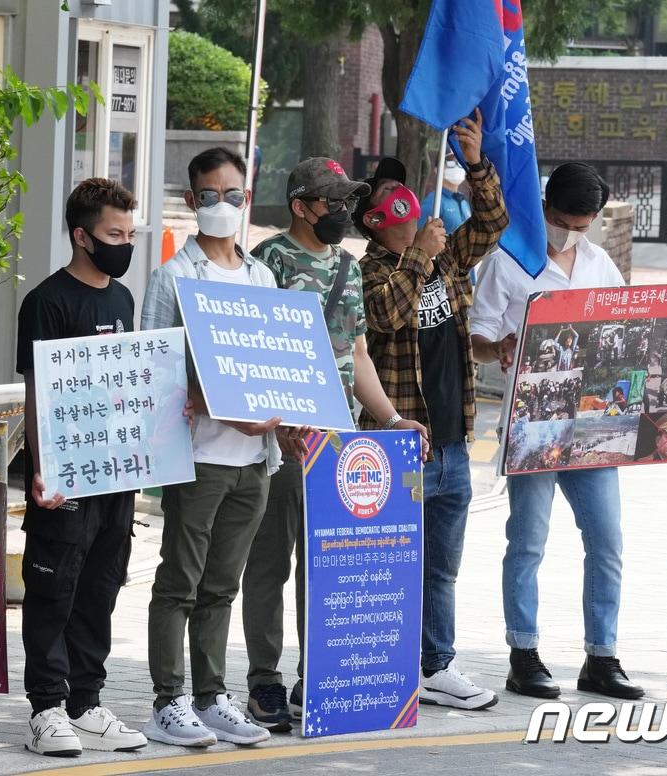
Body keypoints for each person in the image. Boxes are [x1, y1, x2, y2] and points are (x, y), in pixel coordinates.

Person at [239, 156, 427, 731]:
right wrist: (278, 420)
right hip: (283, 444)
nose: (344, 213)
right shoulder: (268, 261)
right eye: (333, 203)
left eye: (349, 202)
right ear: (300, 207)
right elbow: (251, 348)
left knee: (326, 569)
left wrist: (393, 419)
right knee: (270, 565)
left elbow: (358, 355)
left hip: (338, 446)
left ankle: (315, 679)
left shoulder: (346, 266)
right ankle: (264, 683)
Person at [470, 162, 643, 701]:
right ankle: (523, 654)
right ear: (545, 208)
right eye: (567, 220)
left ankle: (602, 656)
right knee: (527, 542)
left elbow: (629, 328)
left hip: (595, 425)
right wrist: (496, 348)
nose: (574, 231)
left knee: (608, 542)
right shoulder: (509, 262)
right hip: (533, 425)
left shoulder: (599, 263)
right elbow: (474, 335)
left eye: (584, 223)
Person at [354, 109, 505, 712]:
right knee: (393, 561)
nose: (408, 210)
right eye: (393, 206)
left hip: (451, 439)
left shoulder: (445, 256)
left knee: (441, 568)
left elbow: (493, 223)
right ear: (375, 222)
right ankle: (385, 661)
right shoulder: (369, 269)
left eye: (407, 200)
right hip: (400, 443)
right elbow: (385, 316)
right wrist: (418, 254)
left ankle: (437, 664)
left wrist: (475, 165)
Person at [140, 147, 281, 748]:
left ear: (246, 200)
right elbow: (150, 363)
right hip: (199, 456)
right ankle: (168, 700)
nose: (219, 205)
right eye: (207, 195)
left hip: (255, 458)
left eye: (231, 195)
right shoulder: (174, 276)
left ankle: (212, 694)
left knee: (224, 585)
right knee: (180, 581)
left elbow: (280, 359)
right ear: (191, 200)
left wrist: (277, 412)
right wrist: (206, 393)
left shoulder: (262, 276)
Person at [15, 177, 148, 758]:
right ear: (80, 235)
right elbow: (38, 393)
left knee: (100, 587)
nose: (124, 244)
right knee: (54, 589)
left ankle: (87, 701)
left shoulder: (122, 300)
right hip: (65, 476)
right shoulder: (46, 300)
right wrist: (41, 469)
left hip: (115, 470)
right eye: (113, 234)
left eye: (129, 233)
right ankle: (46, 708)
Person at [418, 152, 470, 235]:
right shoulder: (433, 202)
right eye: (450, 163)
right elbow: (421, 237)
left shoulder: (463, 201)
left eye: (459, 163)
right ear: (437, 169)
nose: (456, 167)